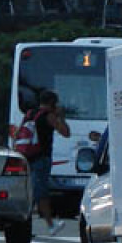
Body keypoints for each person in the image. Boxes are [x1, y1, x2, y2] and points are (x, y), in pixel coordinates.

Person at [29, 89, 70, 235]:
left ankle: (25, 225)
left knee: (31, 192)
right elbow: (66, 133)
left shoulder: (30, 114)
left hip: (27, 158)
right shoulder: (49, 116)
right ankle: (51, 225)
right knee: (41, 192)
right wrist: (62, 117)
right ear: (52, 103)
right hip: (41, 158)